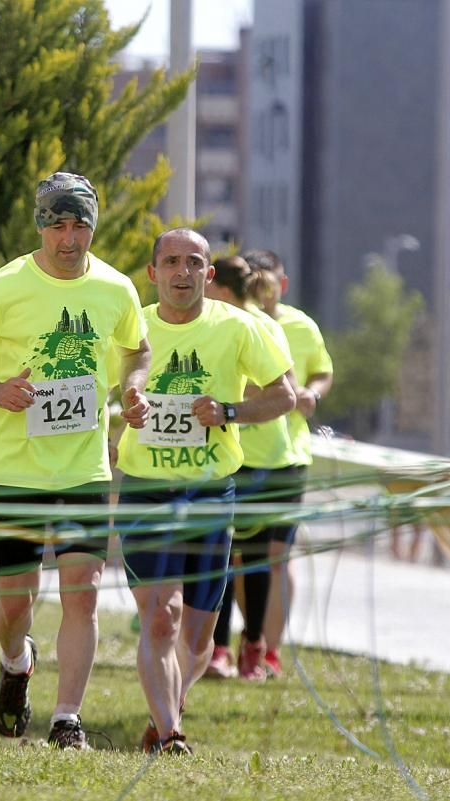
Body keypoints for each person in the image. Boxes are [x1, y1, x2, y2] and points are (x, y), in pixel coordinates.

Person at [0, 172, 152, 750]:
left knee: (82, 587)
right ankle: (15, 661)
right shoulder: (4, 287)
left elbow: (138, 347)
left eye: (80, 224)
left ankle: (66, 718)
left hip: (82, 467)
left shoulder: (115, 288)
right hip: (12, 469)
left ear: (92, 228)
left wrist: (134, 387)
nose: (69, 237)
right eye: (58, 224)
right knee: (14, 600)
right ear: (41, 226)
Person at [113, 228, 294, 754]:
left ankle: (169, 706)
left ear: (209, 275)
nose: (182, 272)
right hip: (148, 488)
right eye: (171, 262)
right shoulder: (131, 328)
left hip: (212, 493)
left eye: (194, 263)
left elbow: (283, 396)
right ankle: (170, 732)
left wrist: (229, 411)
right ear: (153, 273)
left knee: (197, 642)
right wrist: (128, 406)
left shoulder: (239, 328)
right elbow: (101, 388)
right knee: (160, 618)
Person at [202, 256, 298, 681]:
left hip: (260, 458)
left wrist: (229, 403)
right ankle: (218, 648)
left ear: (221, 289)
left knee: (253, 558)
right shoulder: (211, 322)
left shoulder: (262, 326)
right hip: (221, 456)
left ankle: (251, 648)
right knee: (218, 555)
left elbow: (282, 386)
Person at [242, 248, 334, 678]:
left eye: (270, 279)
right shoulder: (234, 321)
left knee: (278, 555)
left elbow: (322, 371)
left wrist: (313, 392)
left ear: (284, 283)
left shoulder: (301, 325)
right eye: (253, 278)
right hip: (239, 454)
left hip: (287, 456)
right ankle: (247, 639)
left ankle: (269, 649)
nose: (263, 287)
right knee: (242, 555)